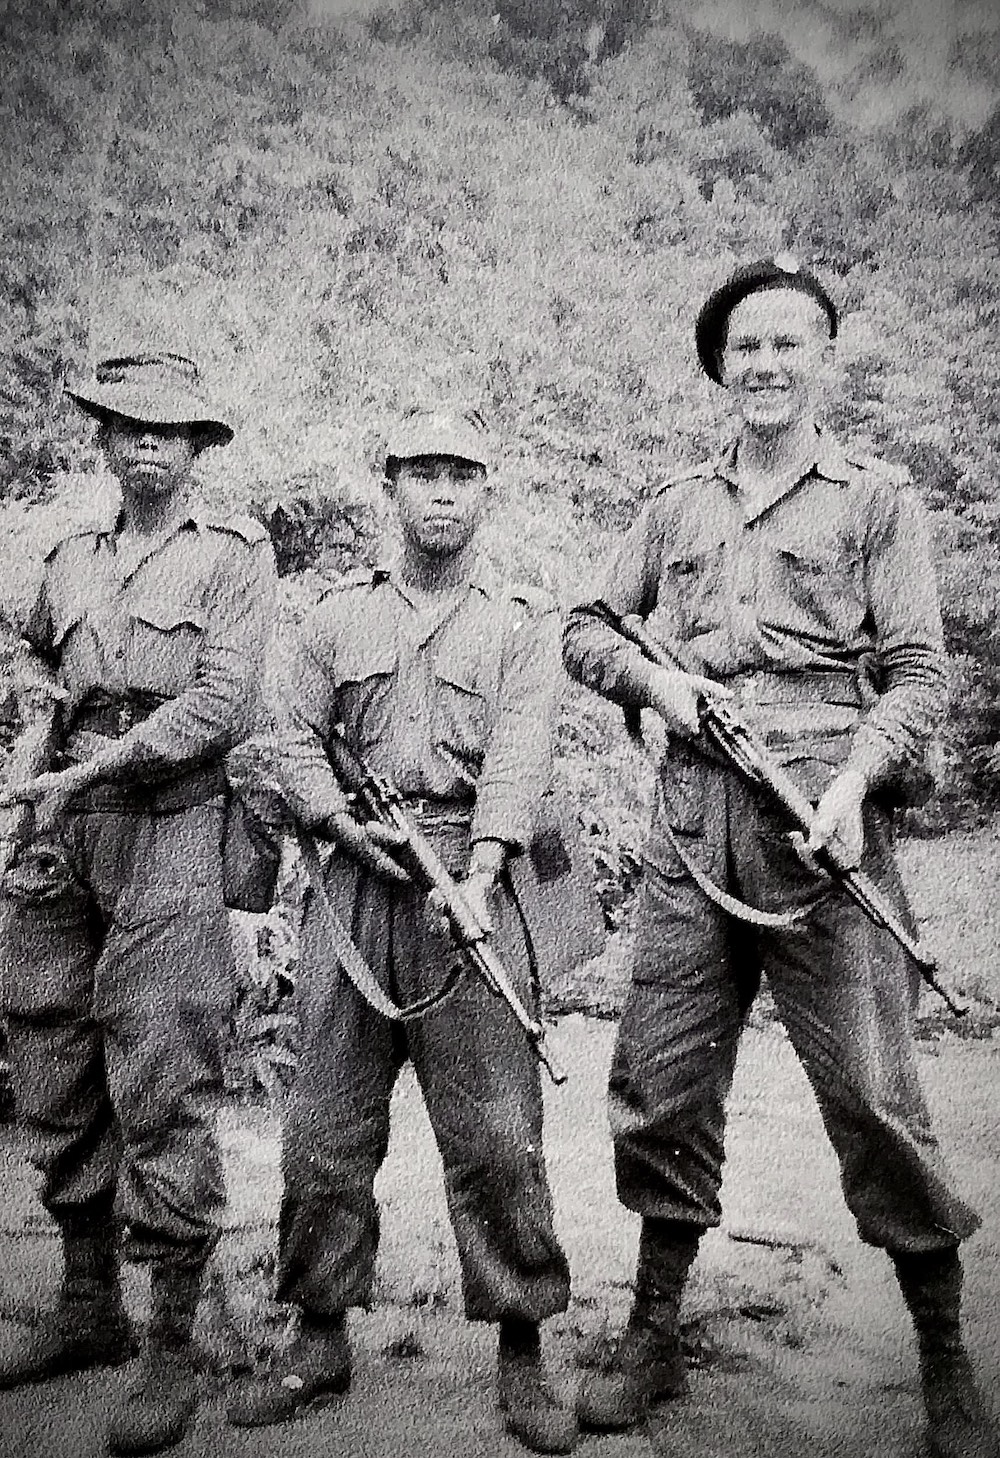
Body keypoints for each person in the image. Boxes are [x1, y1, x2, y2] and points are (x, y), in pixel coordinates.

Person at [562, 257, 996, 1458]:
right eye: (742, 347)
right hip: (694, 820)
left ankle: (942, 1354)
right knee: (659, 1081)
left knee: (873, 1092)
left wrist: (855, 784)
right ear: (718, 366)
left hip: (825, 825)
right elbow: (588, 630)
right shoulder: (673, 506)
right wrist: (659, 684)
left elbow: (917, 673)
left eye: (787, 344)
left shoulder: (876, 499)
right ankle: (653, 1330)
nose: (762, 365)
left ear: (823, 359)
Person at [227, 405, 579, 1454]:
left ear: (485, 491)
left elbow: (523, 753)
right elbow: (287, 737)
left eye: (460, 476)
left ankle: (522, 1346)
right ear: (390, 487)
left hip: (473, 884)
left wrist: (477, 869)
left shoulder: (519, 622)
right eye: (421, 474)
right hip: (353, 884)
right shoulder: (334, 617)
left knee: (498, 1135)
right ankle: (319, 1333)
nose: (440, 493)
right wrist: (336, 822)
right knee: (323, 1129)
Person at [0, 351, 277, 1455]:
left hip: (172, 824)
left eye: (169, 429)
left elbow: (221, 702)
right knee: (51, 1052)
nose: (146, 443)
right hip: (65, 834)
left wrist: (91, 771)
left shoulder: (234, 558)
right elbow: (37, 671)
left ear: (200, 448)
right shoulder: (69, 555)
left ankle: (170, 1342)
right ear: (105, 440)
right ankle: (86, 1306)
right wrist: (41, 761)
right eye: (126, 426)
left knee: (164, 1071)